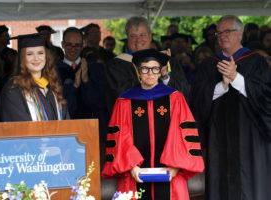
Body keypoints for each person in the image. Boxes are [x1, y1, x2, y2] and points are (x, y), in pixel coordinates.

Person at [102, 49, 204, 200]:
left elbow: (183, 135)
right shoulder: (124, 101)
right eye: (145, 68)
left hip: (170, 173)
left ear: (160, 71)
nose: (150, 73)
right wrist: (131, 166)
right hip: (134, 173)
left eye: (155, 68)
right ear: (138, 71)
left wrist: (175, 167)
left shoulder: (175, 99)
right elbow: (119, 136)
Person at [191, 15, 271, 200]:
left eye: (228, 31)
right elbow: (198, 101)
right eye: (219, 32)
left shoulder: (256, 62)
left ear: (240, 33)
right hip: (218, 140)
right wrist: (222, 86)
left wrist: (237, 79)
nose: (222, 36)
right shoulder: (209, 65)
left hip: (250, 139)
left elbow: (267, 99)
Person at [104, 16, 189, 115]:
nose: (138, 40)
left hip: (166, 123)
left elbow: (183, 94)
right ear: (128, 39)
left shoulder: (167, 61)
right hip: (133, 124)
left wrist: (164, 75)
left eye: (142, 35)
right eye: (133, 36)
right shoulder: (116, 65)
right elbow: (116, 97)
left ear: (150, 36)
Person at [0, 33, 69, 121]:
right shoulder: (14, 89)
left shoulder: (53, 86)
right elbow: (21, 127)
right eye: (29, 54)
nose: (36, 58)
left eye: (40, 53)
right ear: (22, 58)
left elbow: (66, 120)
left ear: (46, 57)